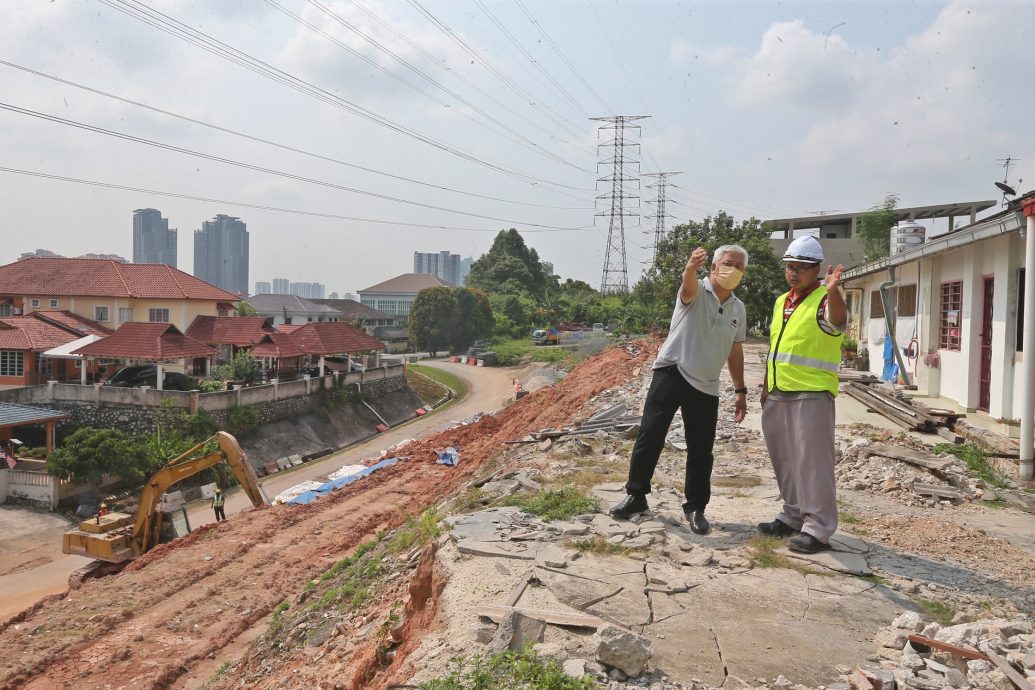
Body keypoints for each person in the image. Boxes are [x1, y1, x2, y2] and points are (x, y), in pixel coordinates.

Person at [609, 245, 749, 534]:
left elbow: (735, 352)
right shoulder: (696, 289)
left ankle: (696, 507)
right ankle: (636, 496)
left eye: (738, 266)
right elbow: (687, 290)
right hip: (671, 373)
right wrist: (688, 269)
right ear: (713, 266)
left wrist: (740, 390)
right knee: (650, 435)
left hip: (707, 384)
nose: (732, 269)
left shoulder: (738, 308)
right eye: (727, 263)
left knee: (701, 450)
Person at [758, 235, 846, 554]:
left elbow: (837, 322)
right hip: (780, 391)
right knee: (785, 459)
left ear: (816, 270)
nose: (794, 273)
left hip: (811, 393)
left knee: (813, 462)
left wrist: (834, 293)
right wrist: (767, 385)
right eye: (790, 267)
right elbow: (776, 346)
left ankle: (819, 527)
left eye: (801, 268)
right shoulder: (783, 301)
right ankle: (793, 514)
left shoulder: (825, 299)